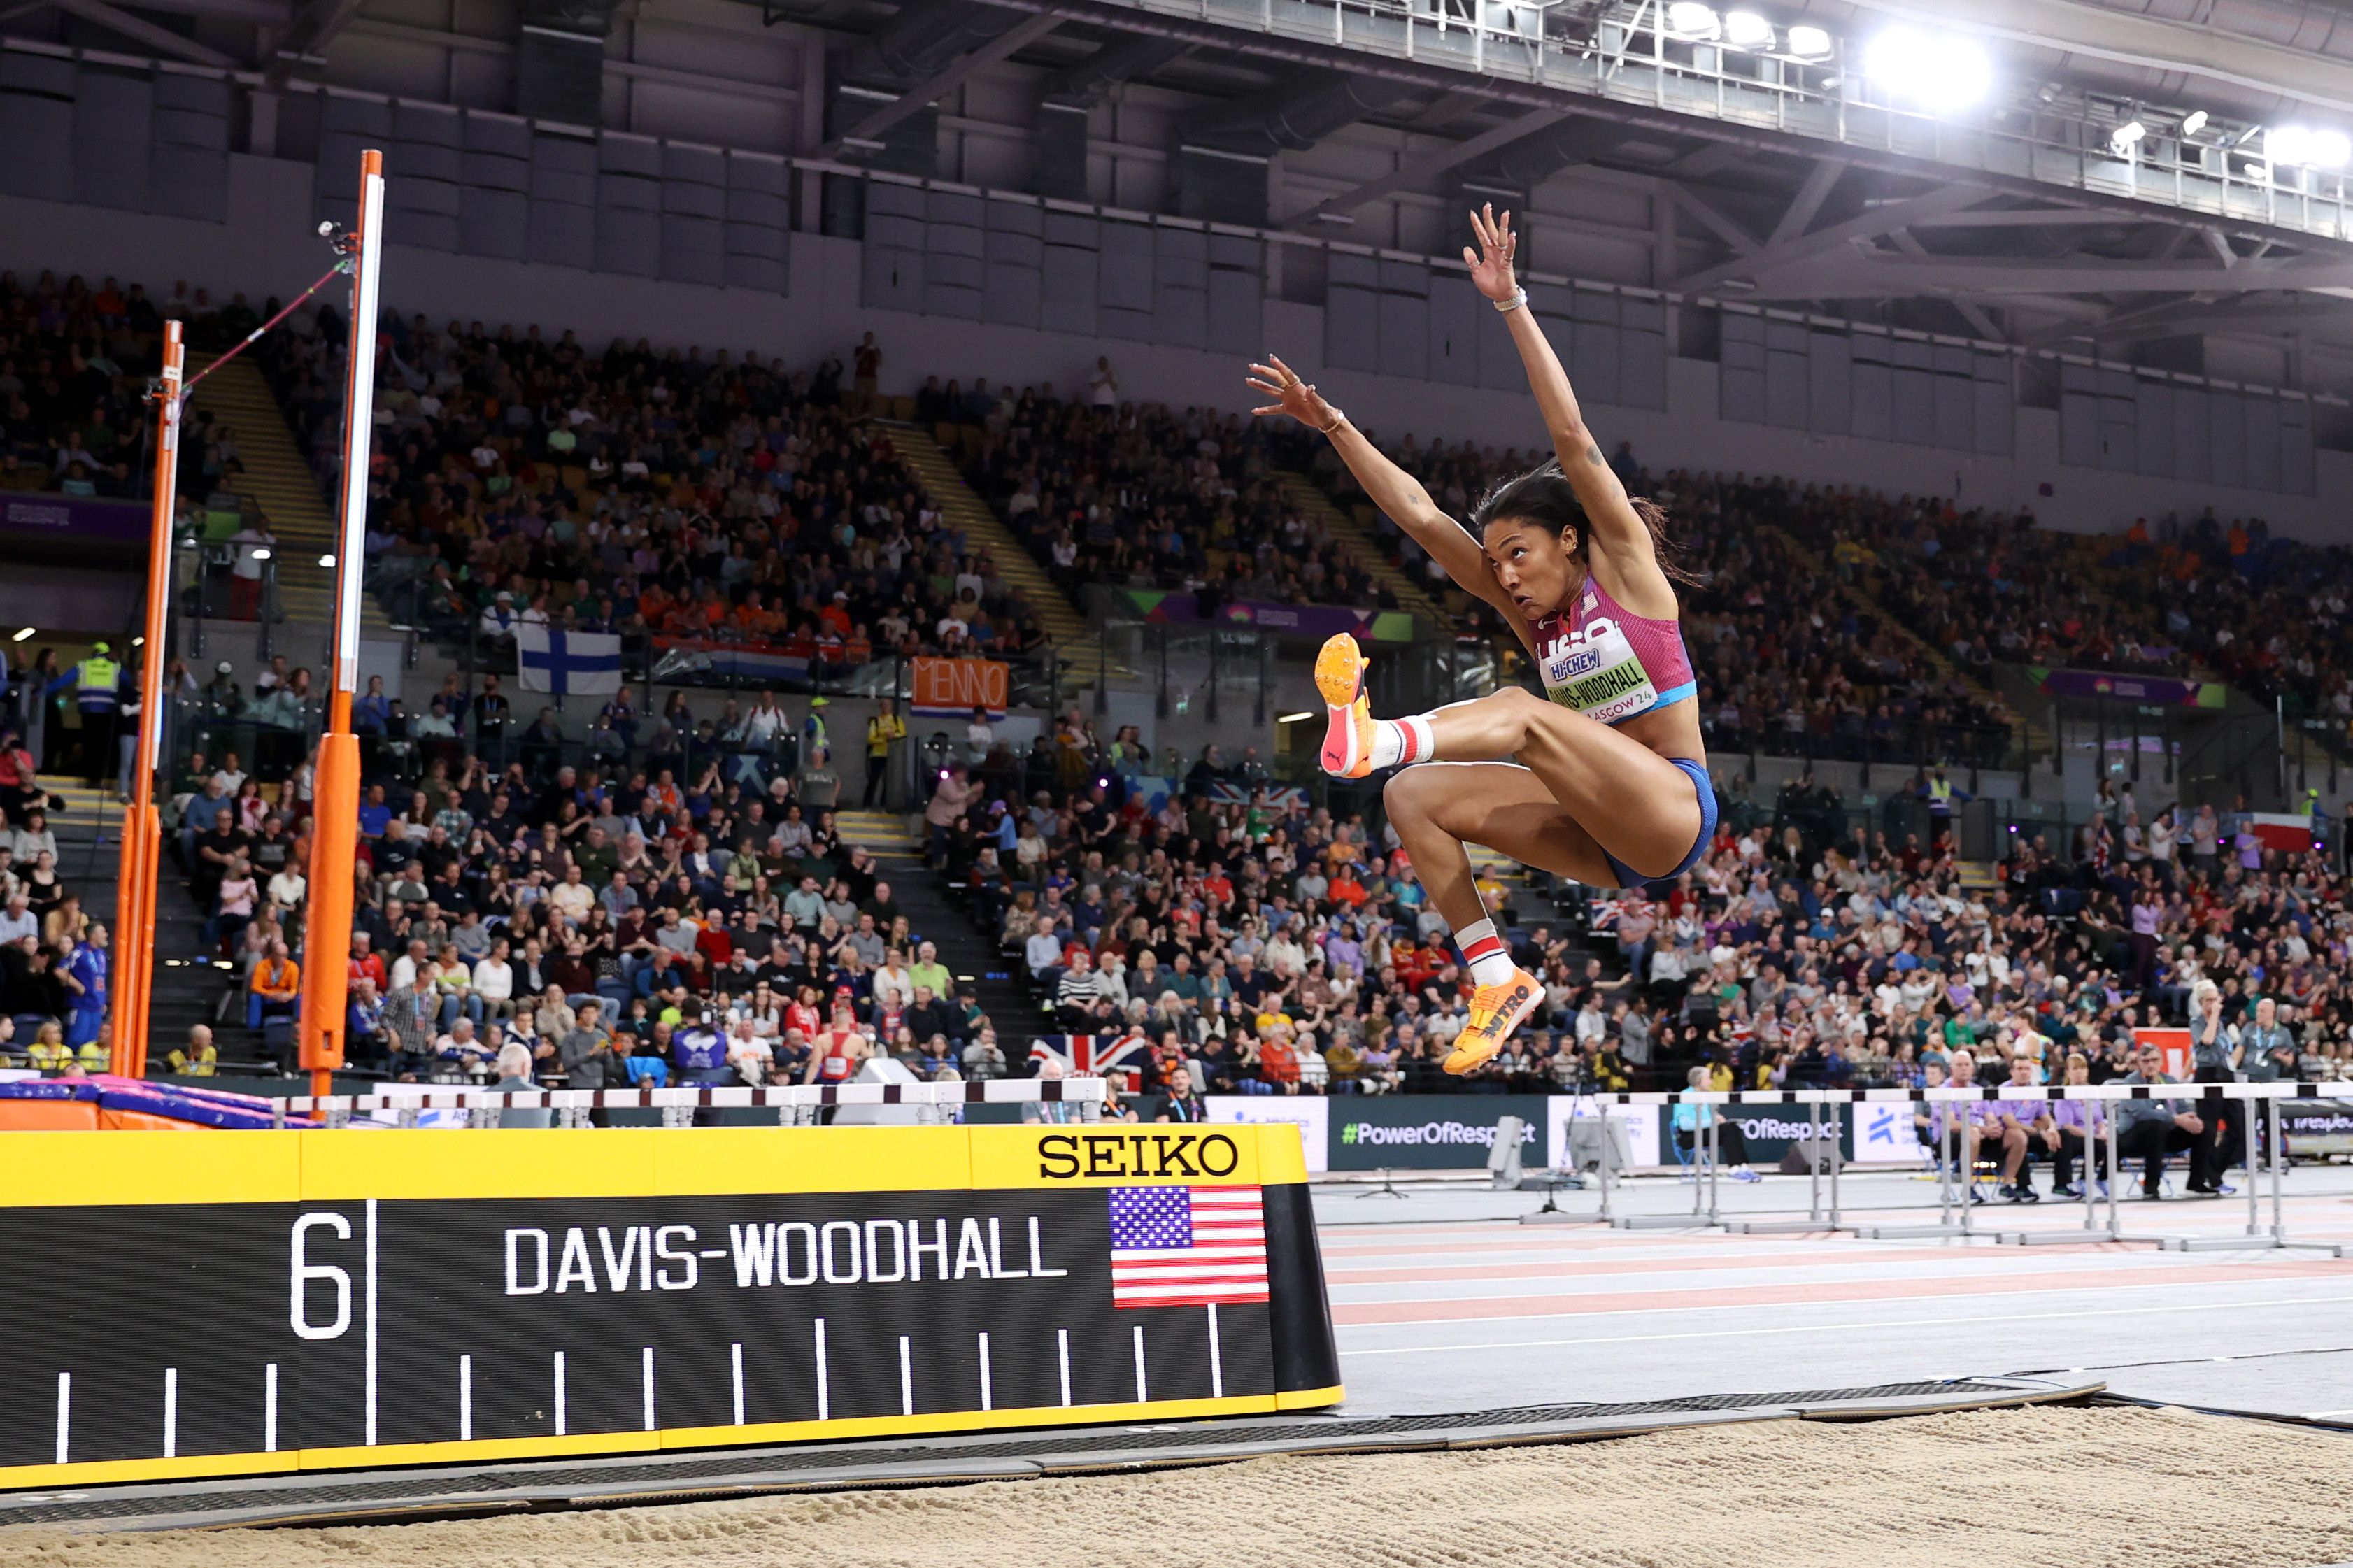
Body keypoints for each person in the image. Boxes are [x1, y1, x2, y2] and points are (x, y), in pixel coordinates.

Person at [1253, 205, 1712, 1075]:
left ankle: (1375, 739)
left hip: (1671, 813)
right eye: (1494, 560)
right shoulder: (1527, 614)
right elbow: (1421, 515)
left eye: (1518, 553)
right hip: (1599, 833)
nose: (1502, 574)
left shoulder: (1628, 574)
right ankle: (1495, 978)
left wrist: (1511, 305)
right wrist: (1335, 427)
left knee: (1516, 711)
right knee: (1413, 797)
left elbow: (1572, 441)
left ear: (1568, 539)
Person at [2116, 1041, 2206, 1199]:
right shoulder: (2132, 1082)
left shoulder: (2169, 1080)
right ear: (2139, 1063)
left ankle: (2196, 1184)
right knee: (2155, 1126)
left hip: (2164, 1135)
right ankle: (2151, 1187)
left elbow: (2182, 1107)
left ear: (2162, 1061)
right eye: (2145, 1061)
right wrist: (2176, 1119)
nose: (2150, 1065)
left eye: (2154, 1060)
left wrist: (2192, 1119)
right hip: (2133, 1137)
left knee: (2203, 1129)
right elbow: (2142, 1113)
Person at [863, 696, 906, 808]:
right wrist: (884, 738)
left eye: (888, 705)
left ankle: (884, 805)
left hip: (891, 755)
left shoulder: (897, 720)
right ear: (880, 707)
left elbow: (902, 735)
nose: (886, 707)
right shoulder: (876, 722)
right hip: (877, 754)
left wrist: (893, 736)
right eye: (884, 705)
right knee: (873, 780)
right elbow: (871, 738)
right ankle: (867, 805)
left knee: (888, 782)